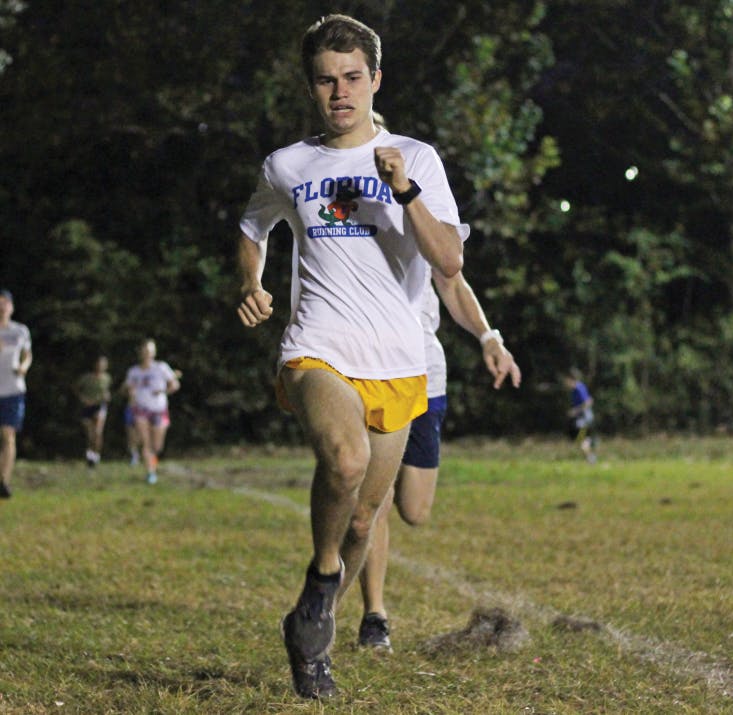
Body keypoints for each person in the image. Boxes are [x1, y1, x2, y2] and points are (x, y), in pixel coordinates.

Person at [235, 14, 467, 699]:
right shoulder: (287, 164)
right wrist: (250, 280)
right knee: (345, 458)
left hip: (399, 361)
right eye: (325, 80)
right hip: (318, 347)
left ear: (376, 80)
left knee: (368, 514)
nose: (339, 92)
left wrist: (404, 190)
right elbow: (253, 228)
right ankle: (324, 584)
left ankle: (318, 610)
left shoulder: (415, 158)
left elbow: (450, 258)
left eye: (352, 78)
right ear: (311, 86)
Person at [356, 271, 521, 651]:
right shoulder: (353, 215)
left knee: (415, 510)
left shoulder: (423, 212)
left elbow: (452, 279)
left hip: (425, 372)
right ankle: (374, 616)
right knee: (374, 499)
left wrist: (489, 337)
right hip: (372, 368)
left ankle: (382, 485)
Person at [122, 338, 180, 484]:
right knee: (146, 443)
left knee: (157, 446)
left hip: (159, 410)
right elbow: (125, 389)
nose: (147, 353)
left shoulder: (161, 367)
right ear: (140, 353)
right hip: (141, 410)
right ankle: (150, 472)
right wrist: (129, 390)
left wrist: (163, 390)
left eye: (150, 350)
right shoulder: (133, 371)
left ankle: (152, 464)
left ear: (154, 352)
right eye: (144, 350)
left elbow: (175, 384)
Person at [0, 289, 32, 499]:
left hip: (14, 390)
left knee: (8, 435)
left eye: (5, 303)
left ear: (11, 307)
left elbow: (28, 355)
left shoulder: (20, 331)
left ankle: (4, 481)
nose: (2, 307)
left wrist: (23, 367)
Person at [74, 355, 112, 467]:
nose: (101, 366)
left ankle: (96, 456)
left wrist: (106, 397)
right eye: (99, 363)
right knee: (90, 434)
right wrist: (83, 398)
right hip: (87, 407)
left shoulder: (107, 378)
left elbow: (107, 393)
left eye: (103, 364)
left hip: (100, 406)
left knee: (98, 432)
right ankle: (90, 455)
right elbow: (76, 388)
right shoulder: (86, 378)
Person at [563, 367, 597, 463]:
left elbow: (588, 402)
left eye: (566, 379)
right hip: (582, 418)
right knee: (581, 440)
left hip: (584, 418)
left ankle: (591, 458)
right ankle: (591, 449)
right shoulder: (575, 389)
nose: (565, 382)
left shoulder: (579, 388)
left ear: (571, 379)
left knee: (581, 440)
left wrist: (575, 411)